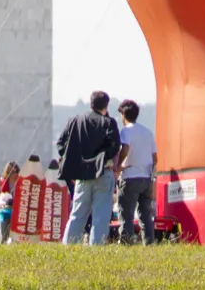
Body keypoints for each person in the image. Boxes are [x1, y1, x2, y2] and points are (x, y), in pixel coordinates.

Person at [55, 91, 123, 245]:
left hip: (81, 174)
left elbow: (60, 144)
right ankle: (96, 248)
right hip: (102, 173)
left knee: (77, 213)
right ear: (106, 106)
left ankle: (69, 246)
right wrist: (101, 158)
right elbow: (115, 146)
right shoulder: (109, 122)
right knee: (101, 215)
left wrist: (73, 159)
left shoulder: (74, 121)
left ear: (90, 103)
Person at [115, 100, 156, 243]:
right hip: (146, 178)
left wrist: (119, 165)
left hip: (130, 176)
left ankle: (126, 242)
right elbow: (155, 157)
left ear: (123, 115)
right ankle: (149, 242)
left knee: (126, 214)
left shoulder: (126, 130)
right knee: (145, 214)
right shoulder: (148, 132)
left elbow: (125, 148)